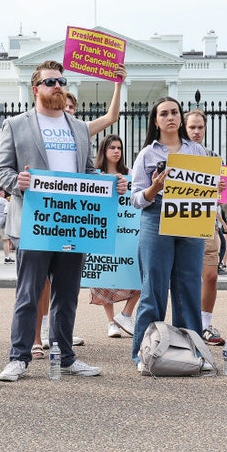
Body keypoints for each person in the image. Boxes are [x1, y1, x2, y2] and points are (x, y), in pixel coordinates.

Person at [0, 60, 126, 382]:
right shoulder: (16, 124)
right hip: (35, 223)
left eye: (61, 81)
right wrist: (18, 183)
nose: (57, 86)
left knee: (67, 295)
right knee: (28, 293)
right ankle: (19, 357)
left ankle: (65, 356)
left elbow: (88, 172)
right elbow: (1, 171)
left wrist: (112, 184)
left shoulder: (78, 127)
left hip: (73, 224)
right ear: (35, 88)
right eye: (50, 82)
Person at [28, 68, 127, 354]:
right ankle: (35, 340)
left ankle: (59, 344)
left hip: (72, 218)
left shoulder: (79, 129)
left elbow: (110, 119)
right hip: (43, 215)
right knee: (38, 287)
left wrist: (117, 84)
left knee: (65, 289)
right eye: (66, 106)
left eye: (72, 107)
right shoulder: (36, 125)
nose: (68, 110)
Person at [128, 97, 208, 371]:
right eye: (164, 113)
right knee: (154, 287)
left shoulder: (198, 151)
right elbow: (135, 198)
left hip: (190, 216)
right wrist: (153, 189)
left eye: (175, 112)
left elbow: (210, 190)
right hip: (156, 216)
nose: (170, 117)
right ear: (156, 121)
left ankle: (194, 352)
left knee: (188, 286)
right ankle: (143, 352)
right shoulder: (147, 154)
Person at [88, 134, 139, 339]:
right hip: (102, 230)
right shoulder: (95, 174)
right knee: (104, 275)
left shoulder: (130, 174)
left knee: (138, 274)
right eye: (112, 148)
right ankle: (111, 322)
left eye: (119, 147)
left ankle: (126, 314)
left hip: (127, 231)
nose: (116, 151)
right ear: (104, 151)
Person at [183, 108, 227, 346]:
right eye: (192, 127)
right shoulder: (174, 154)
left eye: (200, 127)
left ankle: (204, 323)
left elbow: (222, 197)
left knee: (210, 276)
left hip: (206, 220)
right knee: (183, 277)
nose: (196, 131)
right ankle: (186, 323)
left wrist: (220, 189)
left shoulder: (214, 157)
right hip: (180, 220)